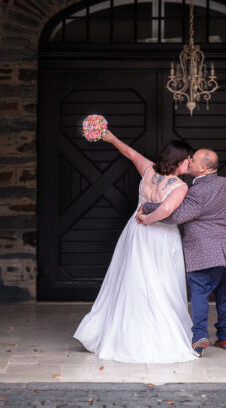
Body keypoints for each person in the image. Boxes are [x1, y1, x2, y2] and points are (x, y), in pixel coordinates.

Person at [73, 130, 199, 363]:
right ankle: (156, 337)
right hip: (160, 237)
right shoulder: (180, 186)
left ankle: (124, 334)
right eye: (188, 159)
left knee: (132, 279)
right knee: (162, 283)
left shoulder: (148, 170)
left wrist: (110, 138)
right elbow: (166, 210)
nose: (190, 163)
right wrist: (149, 219)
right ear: (179, 160)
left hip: (135, 232)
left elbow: (129, 153)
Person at [137, 148, 226, 356]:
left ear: (202, 168)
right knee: (225, 295)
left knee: (200, 293)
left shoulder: (196, 191)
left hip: (204, 251)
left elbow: (176, 216)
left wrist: (148, 208)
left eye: (193, 160)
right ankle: (225, 337)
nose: (189, 161)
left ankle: (199, 336)